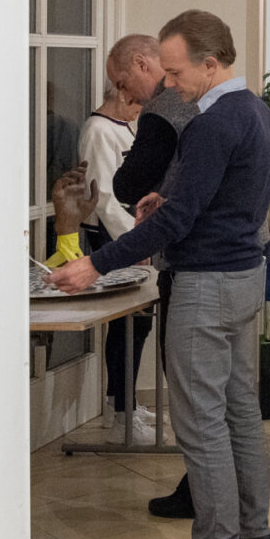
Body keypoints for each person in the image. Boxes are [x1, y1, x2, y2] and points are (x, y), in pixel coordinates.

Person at [48, 10, 270, 539]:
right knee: (239, 410)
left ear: (210, 63)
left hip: (206, 284)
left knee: (201, 424)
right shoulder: (254, 110)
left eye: (175, 74)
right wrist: (166, 202)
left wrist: (95, 264)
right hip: (243, 275)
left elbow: (181, 219)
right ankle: (254, 534)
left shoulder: (212, 122)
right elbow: (214, 201)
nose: (168, 86)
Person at [103, 33, 202, 516]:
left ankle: (202, 494)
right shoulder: (234, 108)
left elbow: (128, 183)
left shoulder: (165, 109)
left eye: (123, 82)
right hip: (234, 265)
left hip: (192, 264)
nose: (125, 95)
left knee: (187, 383)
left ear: (144, 64)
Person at [78, 82, 154, 438]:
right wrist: (135, 242)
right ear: (124, 93)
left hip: (129, 232)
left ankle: (122, 401)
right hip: (115, 236)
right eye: (137, 102)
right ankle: (122, 412)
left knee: (137, 324)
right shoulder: (98, 129)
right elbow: (104, 197)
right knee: (128, 324)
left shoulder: (123, 126)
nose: (138, 111)